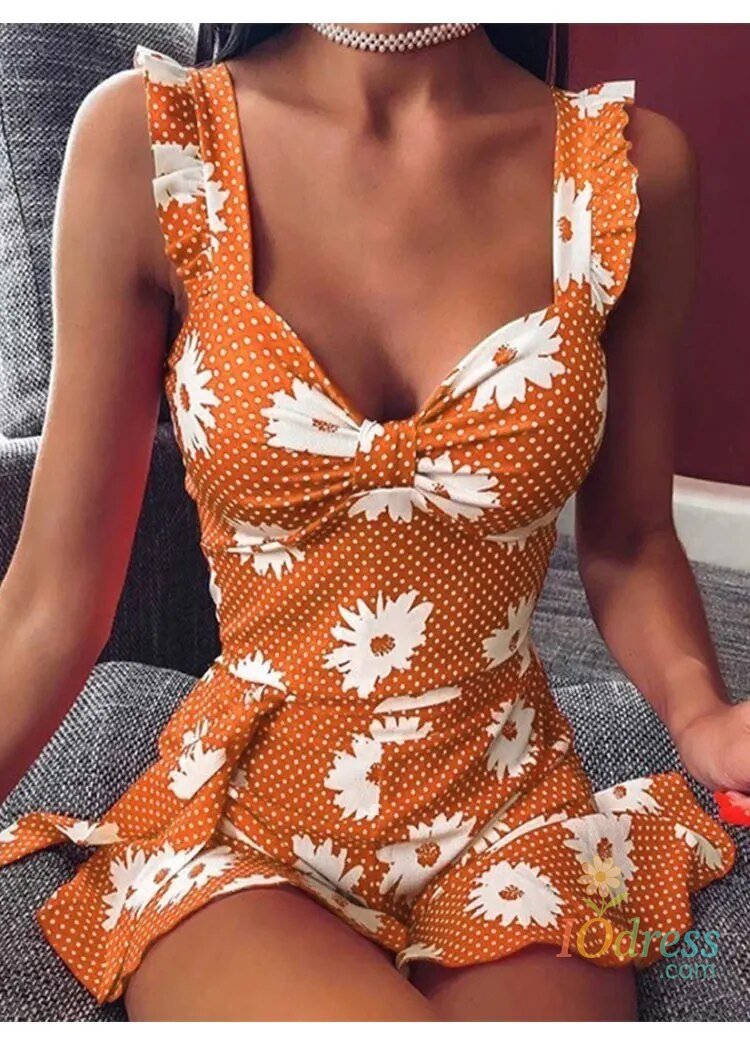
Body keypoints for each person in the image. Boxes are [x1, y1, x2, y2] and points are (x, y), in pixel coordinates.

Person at [0, 23, 746, 1022]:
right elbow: (49, 603)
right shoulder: (147, 144)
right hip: (245, 823)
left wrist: (703, 718)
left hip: (513, 804)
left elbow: (631, 540)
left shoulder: (631, 170)